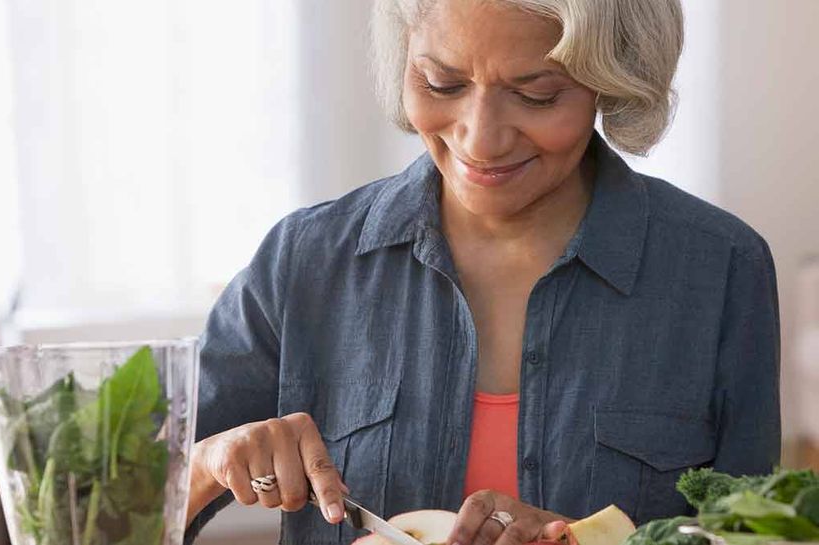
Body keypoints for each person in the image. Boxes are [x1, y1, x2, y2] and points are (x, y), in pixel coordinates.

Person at [184, 1, 781, 544]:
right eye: (442, 82)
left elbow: (755, 532)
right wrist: (210, 463)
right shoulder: (304, 260)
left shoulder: (720, 269)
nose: (481, 139)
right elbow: (106, 512)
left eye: (539, 94)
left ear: (612, 78)